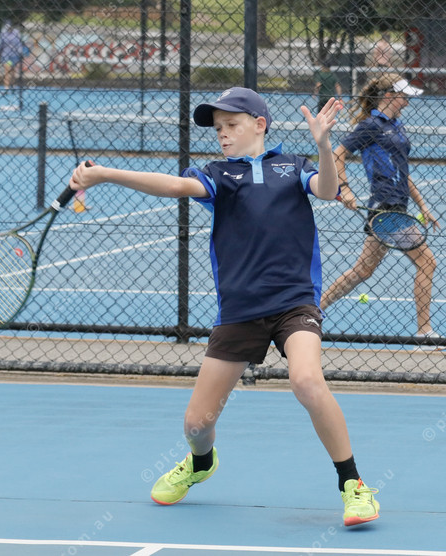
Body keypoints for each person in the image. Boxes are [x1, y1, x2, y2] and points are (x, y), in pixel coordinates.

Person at [69, 87, 380, 527]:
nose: (223, 134)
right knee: (197, 425)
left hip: (294, 302)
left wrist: (324, 145)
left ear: (259, 124)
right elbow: (175, 185)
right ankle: (201, 463)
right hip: (239, 310)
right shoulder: (218, 174)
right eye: (218, 128)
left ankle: (353, 484)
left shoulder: (293, 167)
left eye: (231, 125)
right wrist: (105, 174)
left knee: (307, 380)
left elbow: (328, 190)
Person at [320, 74, 440, 338]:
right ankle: (424, 330)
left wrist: (423, 205)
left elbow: (403, 172)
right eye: (403, 97)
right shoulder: (371, 126)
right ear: (389, 96)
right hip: (385, 207)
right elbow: (338, 154)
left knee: (363, 270)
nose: (407, 102)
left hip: (397, 207)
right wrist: (345, 189)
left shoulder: (397, 126)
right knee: (427, 262)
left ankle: (314, 310)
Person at [0, 22, 26, 90]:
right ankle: (6, 87)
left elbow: (19, 44)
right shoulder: (3, 33)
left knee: (13, 71)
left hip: (14, 55)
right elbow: (1, 44)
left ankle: (13, 85)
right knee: (7, 70)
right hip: (6, 55)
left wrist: (20, 53)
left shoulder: (16, 33)